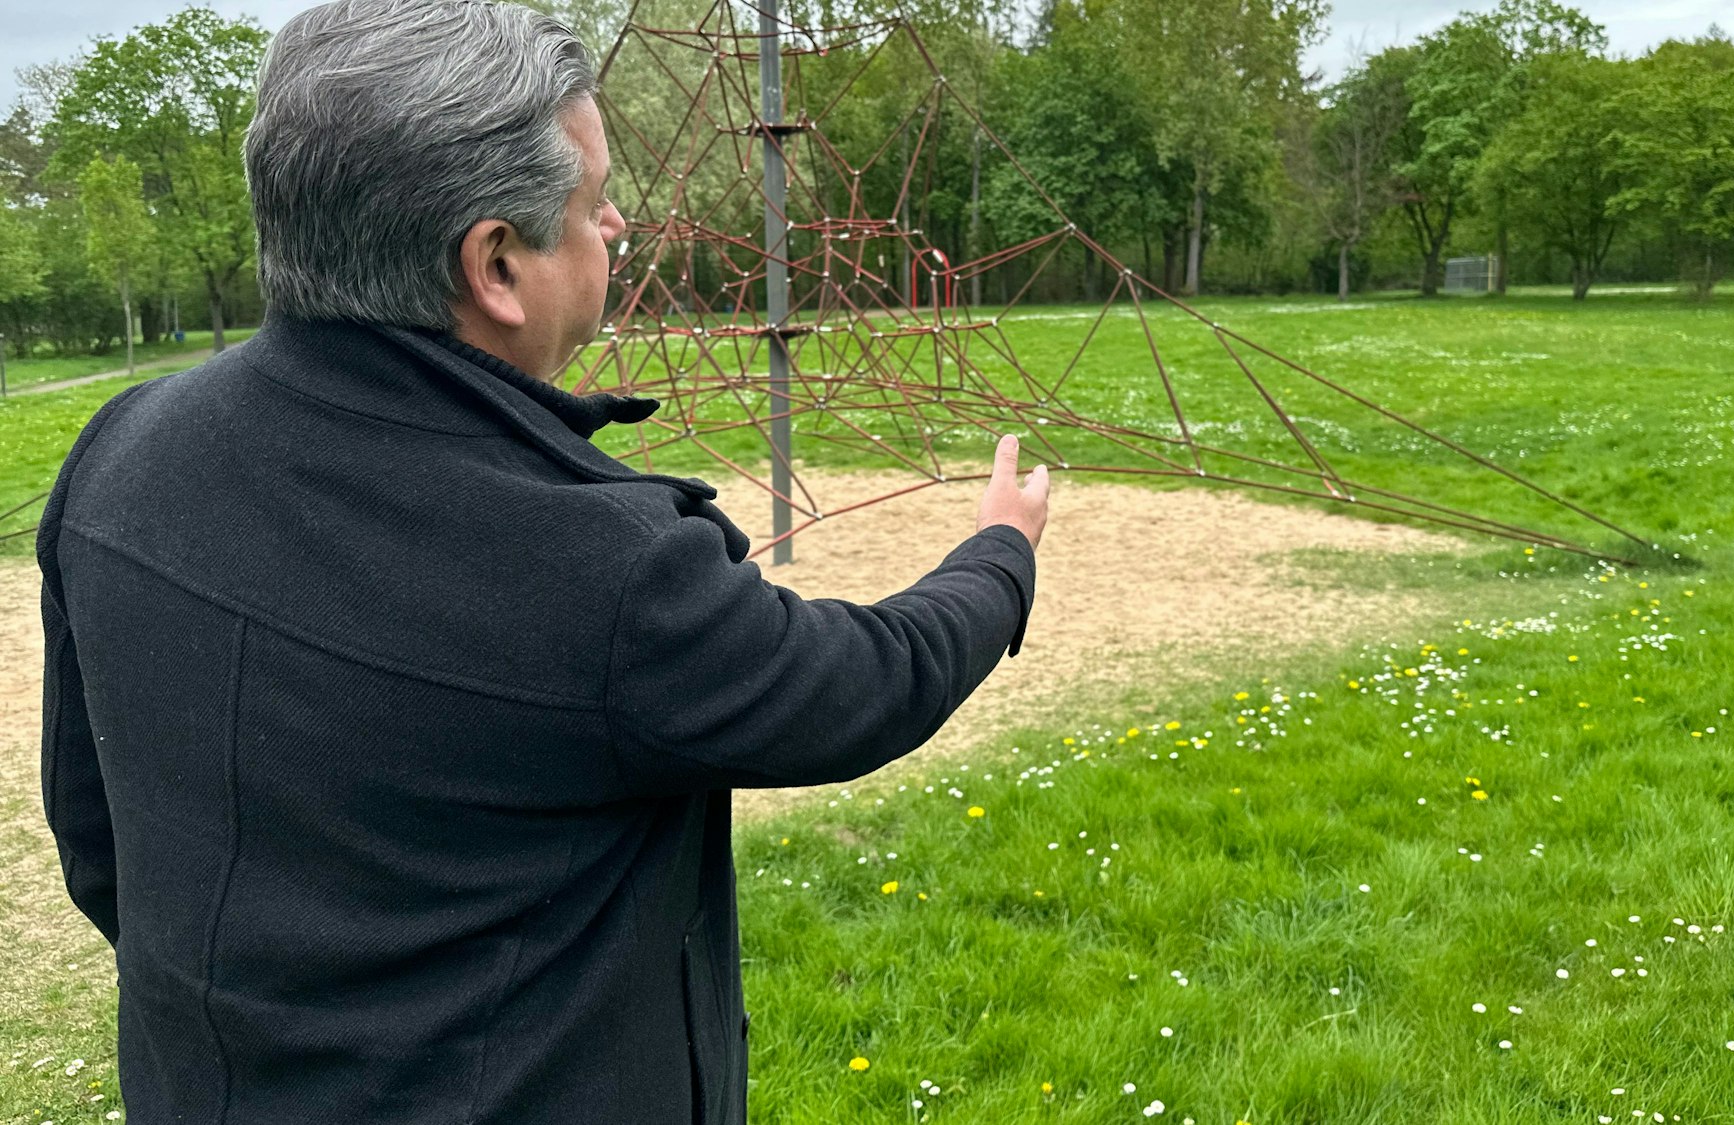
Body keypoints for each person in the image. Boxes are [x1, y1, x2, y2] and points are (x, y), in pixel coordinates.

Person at [35, 0, 1049, 1121]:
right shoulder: (594, 572)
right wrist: (998, 555)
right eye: (591, 201)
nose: (617, 224)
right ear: (496, 264)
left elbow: (98, 840)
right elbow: (858, 686)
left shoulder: (122, 457)